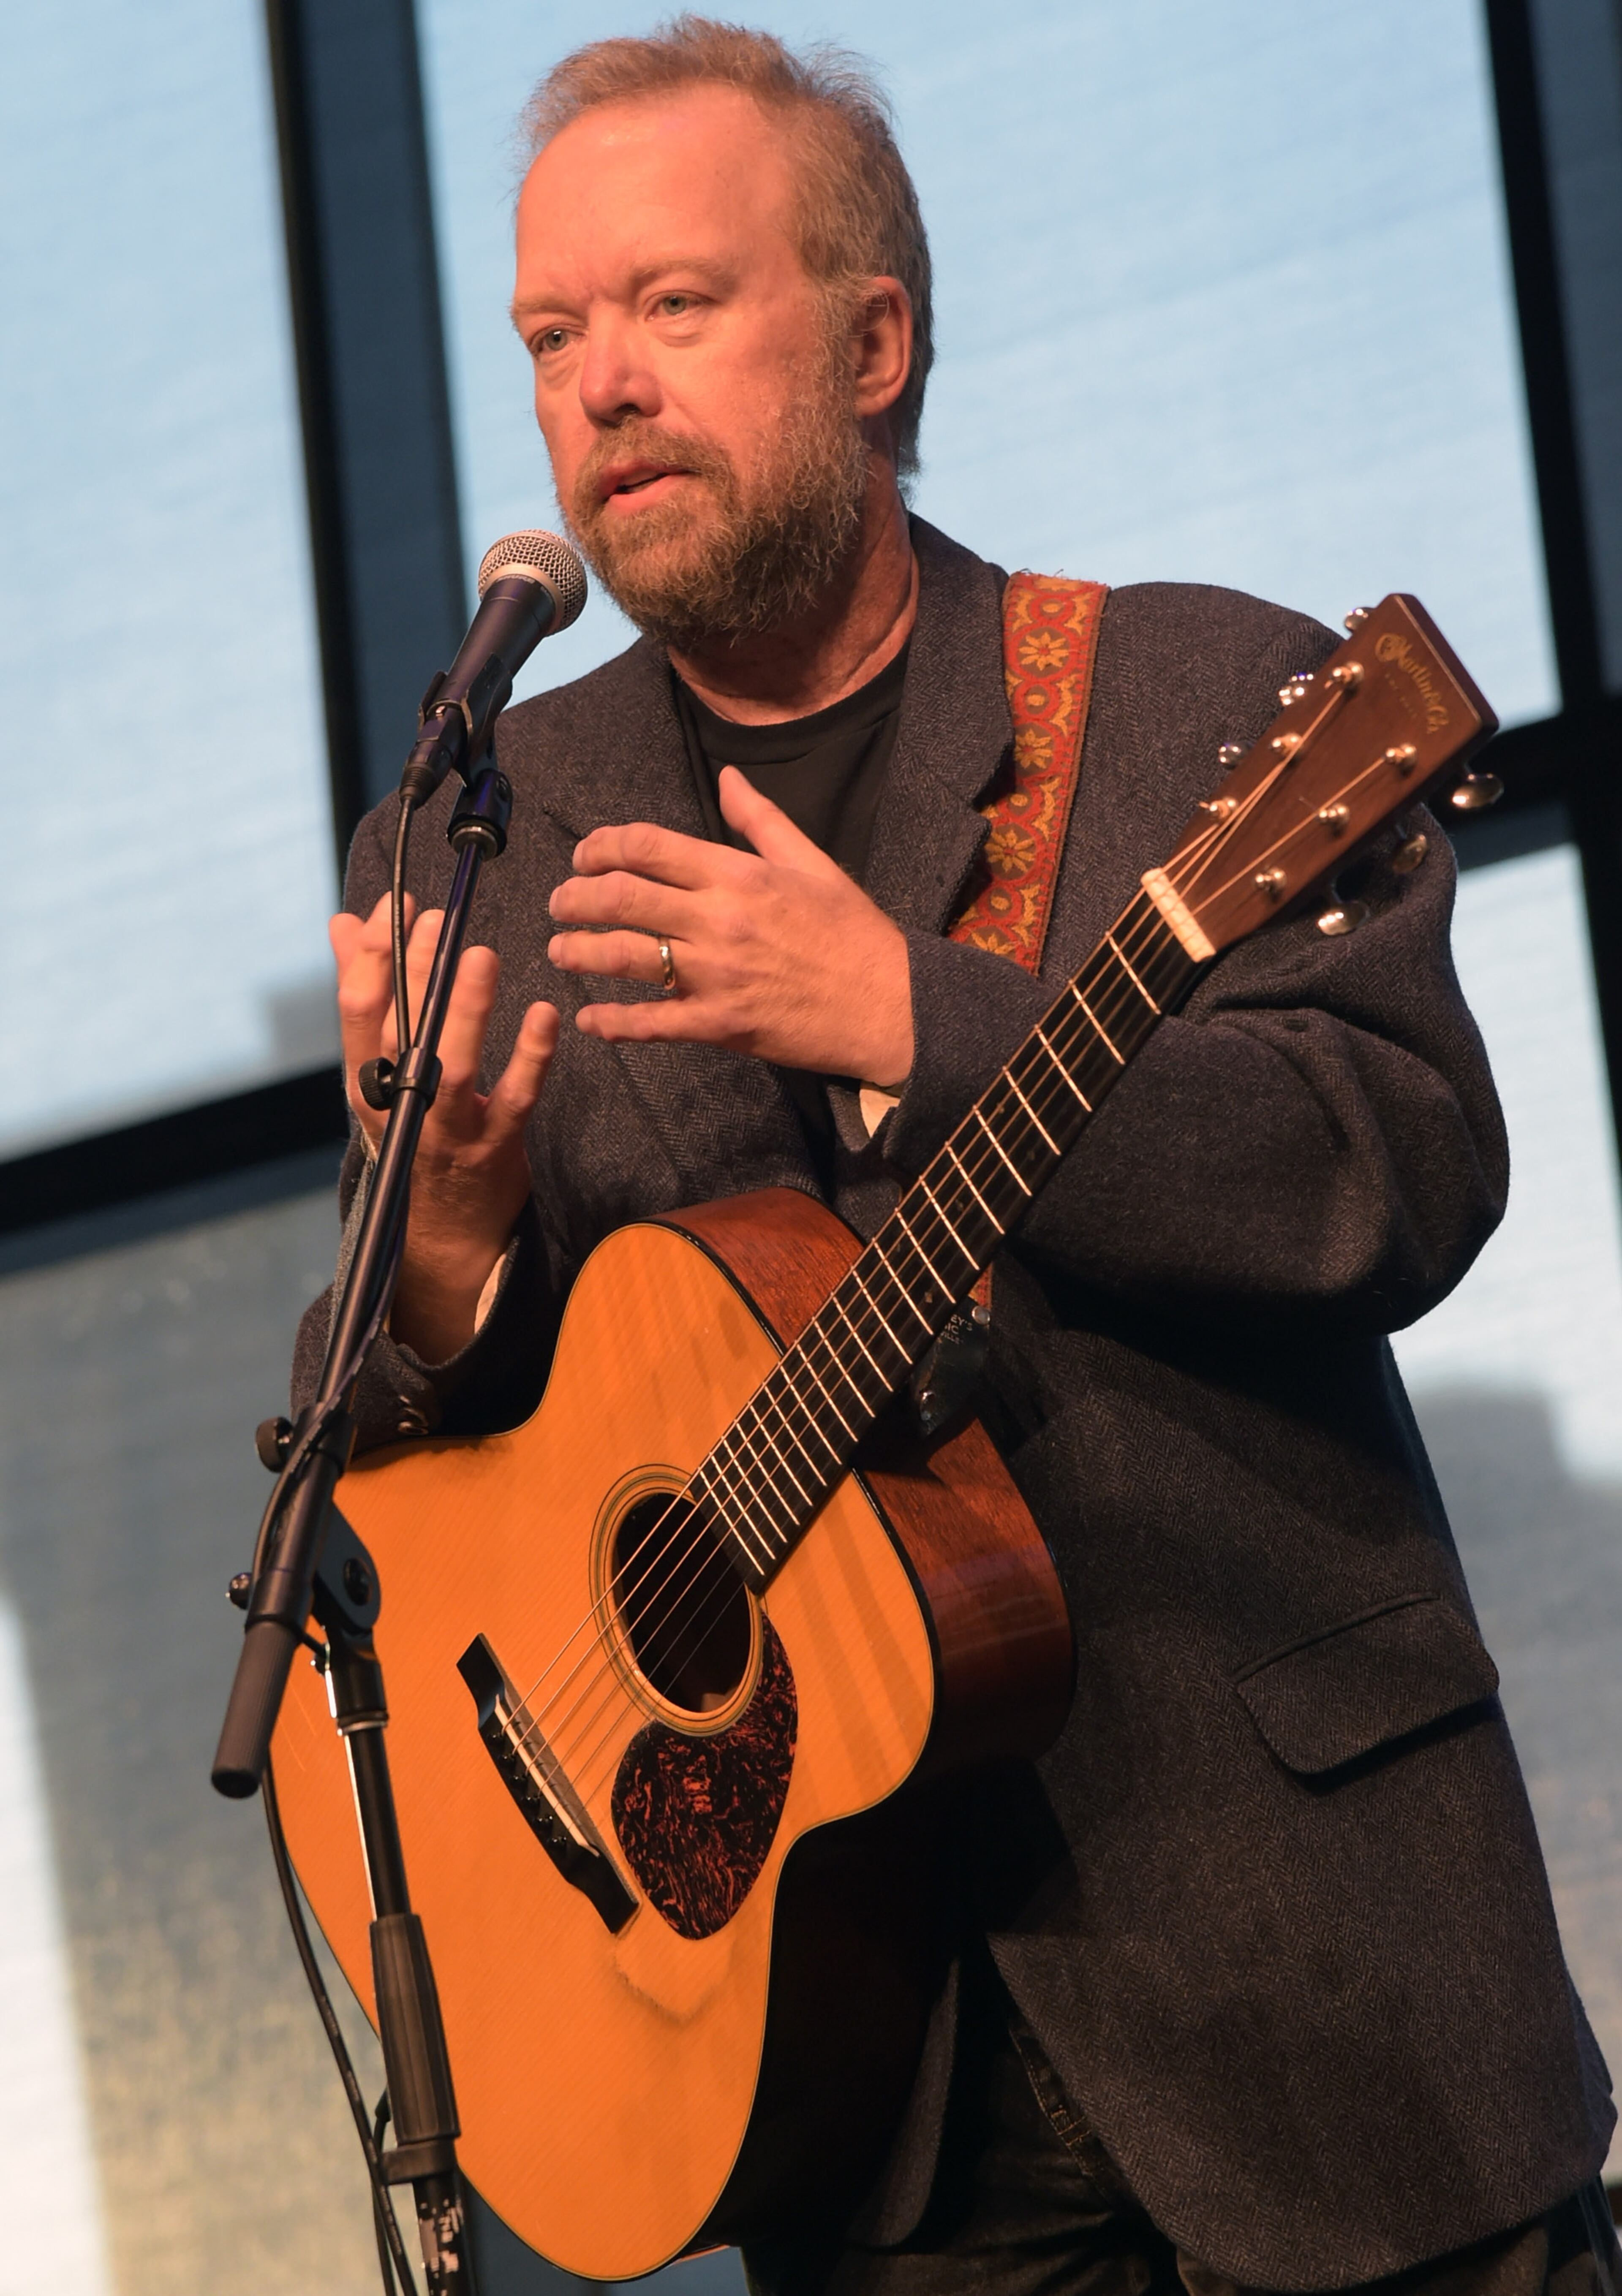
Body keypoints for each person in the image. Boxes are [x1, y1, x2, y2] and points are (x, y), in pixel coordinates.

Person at [295, 19, 1617, 2296]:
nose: (598, 385)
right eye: (549, 334)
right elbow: (390, 1474)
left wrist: (919, 1016)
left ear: (879, 340)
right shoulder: (498, 843)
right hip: (845, 2074)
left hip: (1315, 1987)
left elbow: (1391, 1161)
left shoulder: (1213, 707)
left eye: (674, 306)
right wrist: (447, 1255)